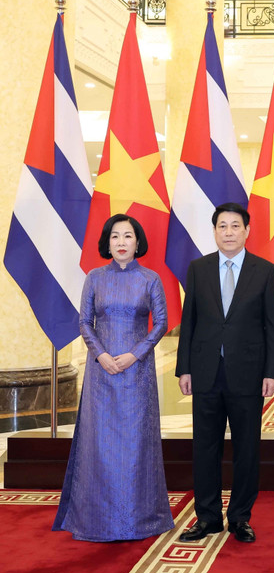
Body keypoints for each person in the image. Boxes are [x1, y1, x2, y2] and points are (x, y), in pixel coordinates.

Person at [53, 214, 173, 541]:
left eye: (128, 236)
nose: (121, 242)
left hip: (137, 371)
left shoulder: (150, 279)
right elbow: (84, 322)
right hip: (101, 372)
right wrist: (101, 354)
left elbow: (161, 323)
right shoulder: (94, 278)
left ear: (138, 242)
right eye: (115, 237)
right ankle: (95, 518)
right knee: (100, 444)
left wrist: (135, 353)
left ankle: (138, 518)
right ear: (107, 243)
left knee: (135, 444)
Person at [176, 202, 274, 544]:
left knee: (247, 448)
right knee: (204, 448)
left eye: (235, 226)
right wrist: (184, 369)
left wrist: (272, 371)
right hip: (205, 372)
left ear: (247, 231)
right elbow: (188, 322)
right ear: (214, 231)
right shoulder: (198, 269)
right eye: (222, 226)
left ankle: (239, 517)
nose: (229, 232)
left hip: (248, 375)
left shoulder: (264, 270)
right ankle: (207, 517)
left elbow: (271, 327)